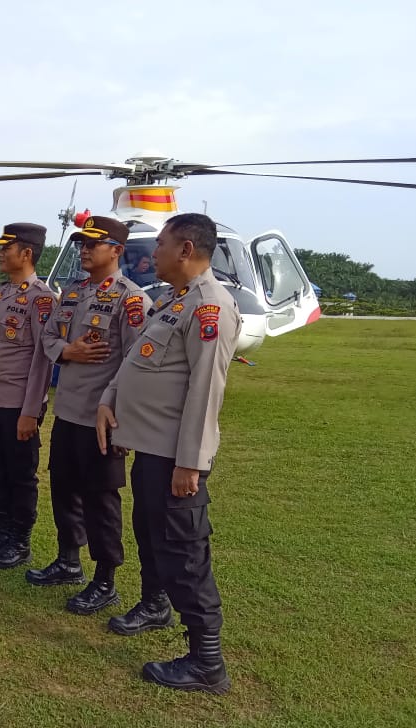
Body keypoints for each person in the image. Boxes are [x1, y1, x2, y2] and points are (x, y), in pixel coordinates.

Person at [97, 213, 240, 694]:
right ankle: (155, 604)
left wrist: (190, 463)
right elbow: (136, 360)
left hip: (175, 459)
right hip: (150, 451)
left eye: (161, 244)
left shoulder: (209, 307)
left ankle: (206, 663)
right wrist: (110, 399)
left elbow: (206, 389)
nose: (152, 253)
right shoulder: (173, 300)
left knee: (185, 554)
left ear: (186, 249)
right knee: (152, 536)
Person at [28, 216, 151, 618]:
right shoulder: (72, 293)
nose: (84, 250)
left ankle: (105, 580)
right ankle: (68, 560)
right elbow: (48, 337)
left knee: (101, 500)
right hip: (67, 411)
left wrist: (122, 417)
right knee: (63, 489)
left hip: (101, 419)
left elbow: (136, 364)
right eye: (81, 243)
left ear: (116, 251)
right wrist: (68, 351)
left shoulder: (130, 300)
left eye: (93, 244)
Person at [0, 223, 53, 568]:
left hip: (20, 403)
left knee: (21, 474)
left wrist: (31, 411)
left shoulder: (42, 298)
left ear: (27, 253)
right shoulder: (4, 293)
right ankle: (4, 533)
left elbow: (43, 359)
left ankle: (20, 540)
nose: (1, 254)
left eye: (7, 248)